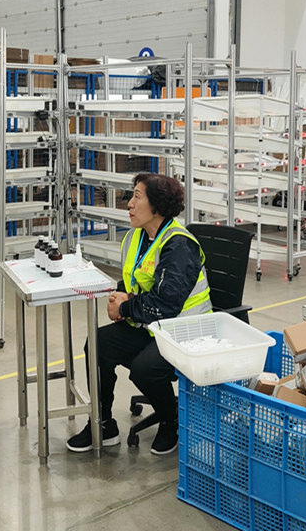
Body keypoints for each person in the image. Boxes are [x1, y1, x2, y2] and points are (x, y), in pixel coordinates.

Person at [66, 173, 212, 456]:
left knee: (145, 369)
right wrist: (120, 296)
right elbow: (133, 278)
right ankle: (103, 424)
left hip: (185, 330)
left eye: (137, 196)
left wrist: (124, 308)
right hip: (151, 324)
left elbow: (166, 304)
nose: (129, 204)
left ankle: (171, 421)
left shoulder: (178, 245)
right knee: (98, 345)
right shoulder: (137, 236)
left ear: (157, 206)